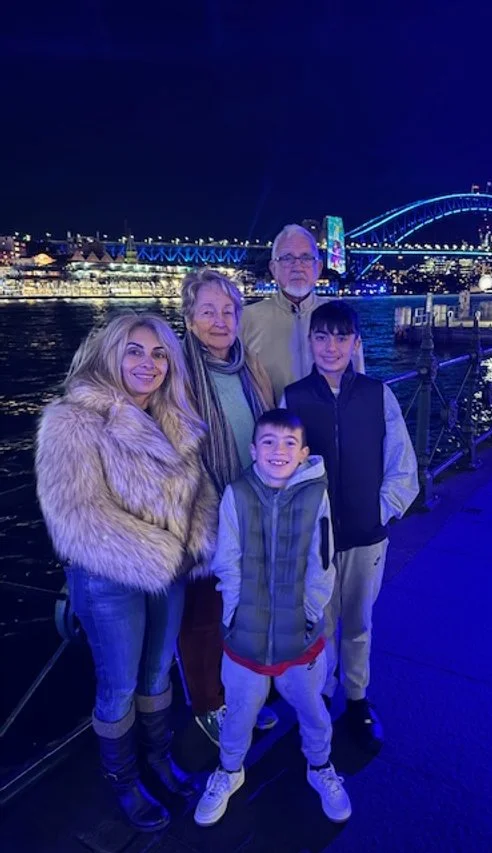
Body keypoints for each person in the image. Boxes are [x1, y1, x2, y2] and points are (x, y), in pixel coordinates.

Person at [35, 313, 218, 832]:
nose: (149, 364)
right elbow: (77, 515)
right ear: (111, 353)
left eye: (159, 354)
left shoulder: (173, 414)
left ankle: (158, 758)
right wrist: (164, 550)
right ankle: (124, 780)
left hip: (170, 568)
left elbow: (195, 490)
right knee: (117, 686)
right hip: (110, 577)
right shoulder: (72, 419)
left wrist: (201, 538)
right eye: (135, 351)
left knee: (159, 670)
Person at [193, 409, 351, 827]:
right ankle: (229, 770)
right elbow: (227, 562)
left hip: (300, 637)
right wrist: (233, 618)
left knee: (312, 709)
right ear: (253, 449)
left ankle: (320, 767)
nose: (277, 452)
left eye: (287, 444)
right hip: (244, 636)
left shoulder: (317, 497)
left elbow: (322, 561)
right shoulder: (237, 494)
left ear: (303, 454)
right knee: (240, 710)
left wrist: (311, 613)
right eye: (268, 442)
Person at [283, 300, 419, 753]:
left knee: (359, 620)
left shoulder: (379, 394)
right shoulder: (294, 397)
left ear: (357, 343)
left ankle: (357, 696)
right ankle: (321, 693)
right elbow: (279, 468)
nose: (331, 346)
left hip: (365, 534)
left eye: (342, 337)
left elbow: (403, 464)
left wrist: (380, 511)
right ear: (310, 343)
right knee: (320, 622)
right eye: (322, 337)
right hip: (315, 540)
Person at [178, 269, 278, 745]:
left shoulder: (249, 365)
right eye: (208, 311)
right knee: (203, 615)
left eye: (229, 310)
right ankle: (207, 705)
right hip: (201, 513)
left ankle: (241, 696)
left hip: (251, 508)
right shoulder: (175, 369)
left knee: (241, 611)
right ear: (189, 319)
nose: (220, 321)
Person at [242, 223, 365, 401]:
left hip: (331, 427)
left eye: (306, 257)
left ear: (319, 268)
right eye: (287, 258)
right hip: (272, 426)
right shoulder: (246, 319)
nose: (297, 266)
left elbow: (358, 379)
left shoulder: (340, 316)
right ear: (273, 268)